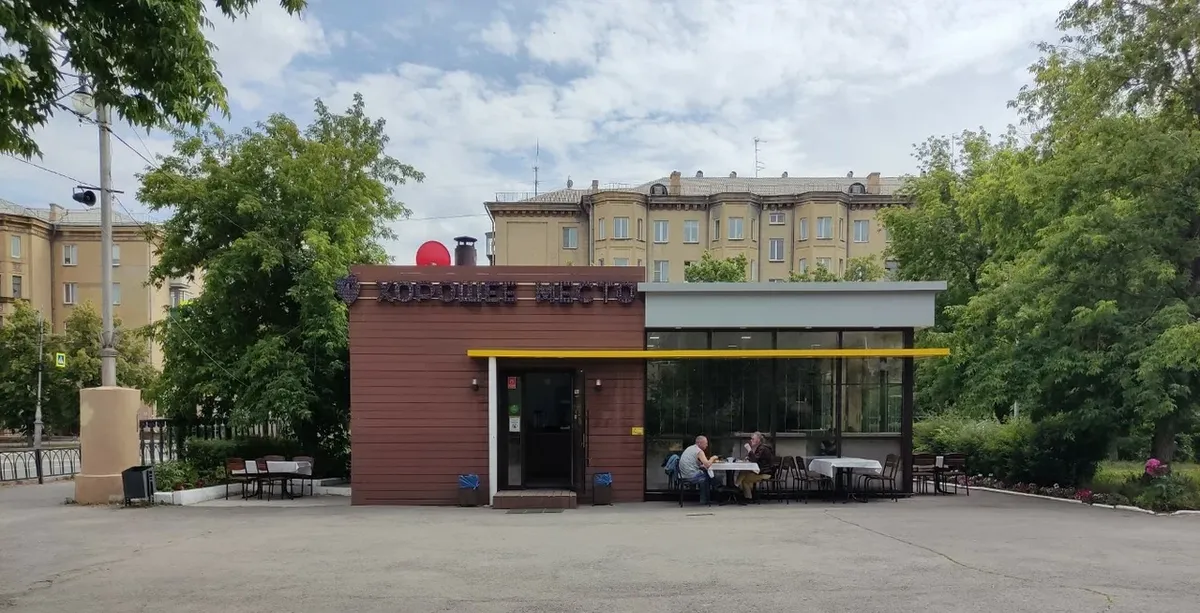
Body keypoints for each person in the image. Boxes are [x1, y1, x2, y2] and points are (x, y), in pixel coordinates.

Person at [736, 432, 775, 502]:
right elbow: (756, 459)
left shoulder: (762, 448)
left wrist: (749, 450)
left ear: (758, 440)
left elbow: (754, 459)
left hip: (765, 473)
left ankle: (746, 496)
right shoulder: (761, 447)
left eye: (753, 439)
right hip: (762, 471)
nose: (751, 440)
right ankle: (737, 486)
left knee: (745, 480)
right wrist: (748, 458)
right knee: (744, 472)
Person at [678, 435, 717, 505]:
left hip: (683, 475)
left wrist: (700, 466)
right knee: (708, 476)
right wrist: (713, 458)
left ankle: (706, 498)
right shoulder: (699, 451)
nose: (707, 445)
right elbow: (707, 464)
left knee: (706, 474)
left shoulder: (690, 448)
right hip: (691, 476)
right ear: (699, 443)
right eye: (706, 443)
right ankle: (708, 499)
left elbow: (692, 462)